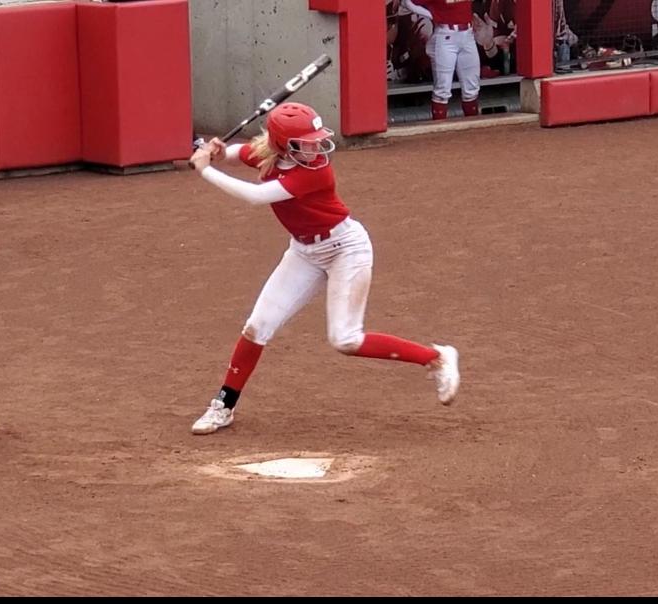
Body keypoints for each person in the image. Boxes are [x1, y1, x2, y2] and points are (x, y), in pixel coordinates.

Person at [184, 102, 460, 435]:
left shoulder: (315, 170)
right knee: (257, 328)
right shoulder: (270, 154)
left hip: (346, 249)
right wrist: (218, 152)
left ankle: (436, 357)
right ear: (283, 145)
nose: (316, 148)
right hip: (304, 252)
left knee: (345, 339)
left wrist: (206, 170)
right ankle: (223, 405)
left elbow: (257, 196)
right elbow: (241, 152)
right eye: (306, 143)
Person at [405, 1, 481, 118]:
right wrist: (432, 15)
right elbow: (408, 2)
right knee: (442, 89)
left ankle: (473, 127)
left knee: (472, 88)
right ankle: (439, 127)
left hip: (468, 34)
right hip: (445, 35)